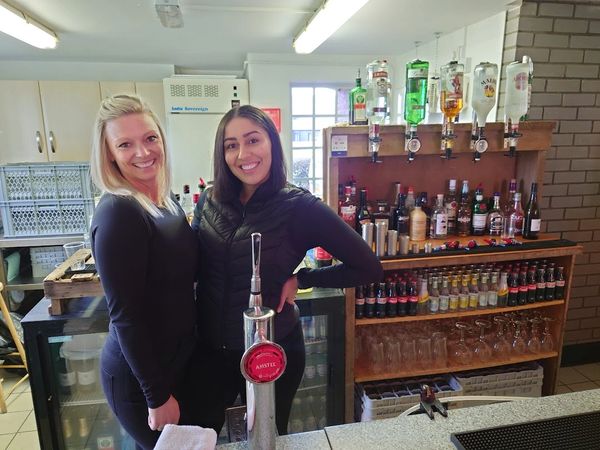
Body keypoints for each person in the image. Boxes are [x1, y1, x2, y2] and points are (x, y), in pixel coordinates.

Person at [191, 105, 383, 434]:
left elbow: (367, 267)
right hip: (210, 351)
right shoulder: (208, 200)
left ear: (272, 144)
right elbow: (195, 267)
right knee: (200, 434)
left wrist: (303, 278)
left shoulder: (299, 206)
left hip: (272, 349)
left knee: (267, 437)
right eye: (231, 145)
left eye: (253, 140)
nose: (243, 154)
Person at [90, 94, 203, 449]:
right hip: (141, 378)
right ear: (109, 153)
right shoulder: (119, 213)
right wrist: (156, 396)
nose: (143, 152)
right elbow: (125, 316)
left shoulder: (163, 200)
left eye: (150, 138)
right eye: (125, 144)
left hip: (175, 360)